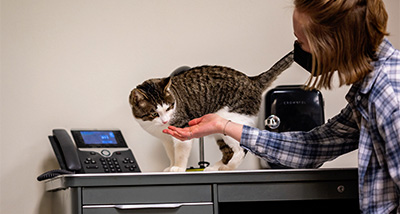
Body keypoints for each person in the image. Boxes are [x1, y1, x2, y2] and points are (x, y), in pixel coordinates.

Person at [163, 0, 400, 213]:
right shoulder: (368, 91)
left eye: (301, 41)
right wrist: (224, 125)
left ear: (332, 43)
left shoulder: (389, 93)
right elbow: (313, 147)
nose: (297, 49)